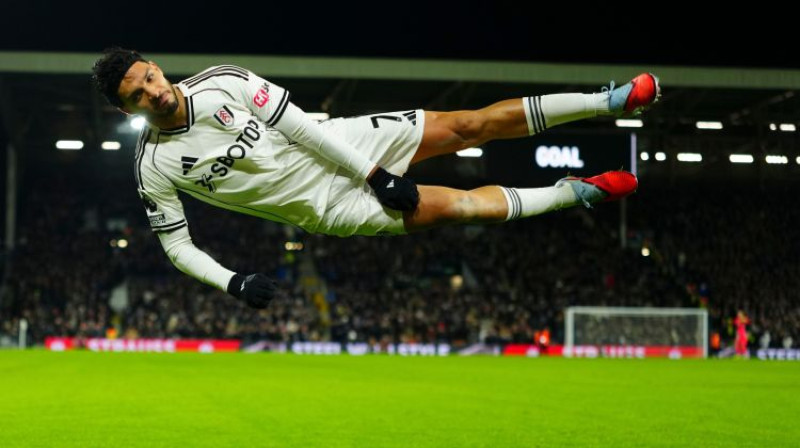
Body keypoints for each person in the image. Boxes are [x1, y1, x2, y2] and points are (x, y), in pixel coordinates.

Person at [91, 48, 660, 309]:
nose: (152, 91)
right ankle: (574, 192)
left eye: (148, 77)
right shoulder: (155, 165)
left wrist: (376, 171)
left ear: (156, 67)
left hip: (345, 144)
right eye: (136, 96)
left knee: (469, 124)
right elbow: (177, 246)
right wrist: (232, 281)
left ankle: (606, 100)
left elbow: (300, 126)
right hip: (328, 208)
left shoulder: (224, 82)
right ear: (128, 111)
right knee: (464, 208)